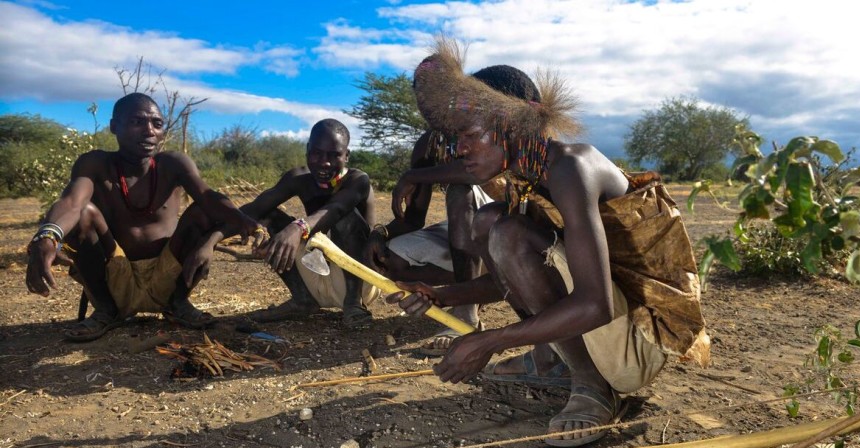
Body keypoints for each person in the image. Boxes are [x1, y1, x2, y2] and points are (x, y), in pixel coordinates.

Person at [390, 40, 711, 447]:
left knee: (505, 230)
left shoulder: (572, 168)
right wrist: (442, 294)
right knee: (492, 220)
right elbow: (523, 275)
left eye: (469, 135)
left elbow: (597, 302)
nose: (460, 150)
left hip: (637, 342)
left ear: (515, 125)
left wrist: (488, 340)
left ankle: (593, 386)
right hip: (605, 326)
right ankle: (550, 361)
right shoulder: (529, 176)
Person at [25, 93, 262, 341]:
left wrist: (241, 220)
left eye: (157, 123)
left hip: (169, 273)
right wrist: (47, 236)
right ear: (114, 126)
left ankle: (178, 303)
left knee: (202, 211)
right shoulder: (95, 164)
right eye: (137, 122)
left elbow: (207, 197)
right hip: (114, 276)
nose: (149, 131)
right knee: (84, 213)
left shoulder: (173, 164)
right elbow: (72, 203)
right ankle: (106, 310)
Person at [366, 64, 539, 355]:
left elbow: (472, 176)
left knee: (459, 192)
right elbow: (414, 218)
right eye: (420, 93)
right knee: (392, 260)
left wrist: (413, 176)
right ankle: (475, 283)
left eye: (436, 90)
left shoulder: (487, 127)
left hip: (505, 222)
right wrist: (380, 233)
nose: (427, 101)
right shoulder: (428, 145)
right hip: (466, 238)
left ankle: (466, 314)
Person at [221, 119, 377, 327]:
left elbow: (335, 209)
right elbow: (254, 209)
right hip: (319, 273)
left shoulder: (358, 180)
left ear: (346, 156)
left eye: (334, 155)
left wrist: (298, 227)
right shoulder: (298, 179)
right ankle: (303, 299)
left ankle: (353, 304)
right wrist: (210, 238)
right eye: (317, 153)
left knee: (345, 216)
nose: (324, 162)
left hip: (360, 280)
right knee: (269, 217)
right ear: (307, 151)